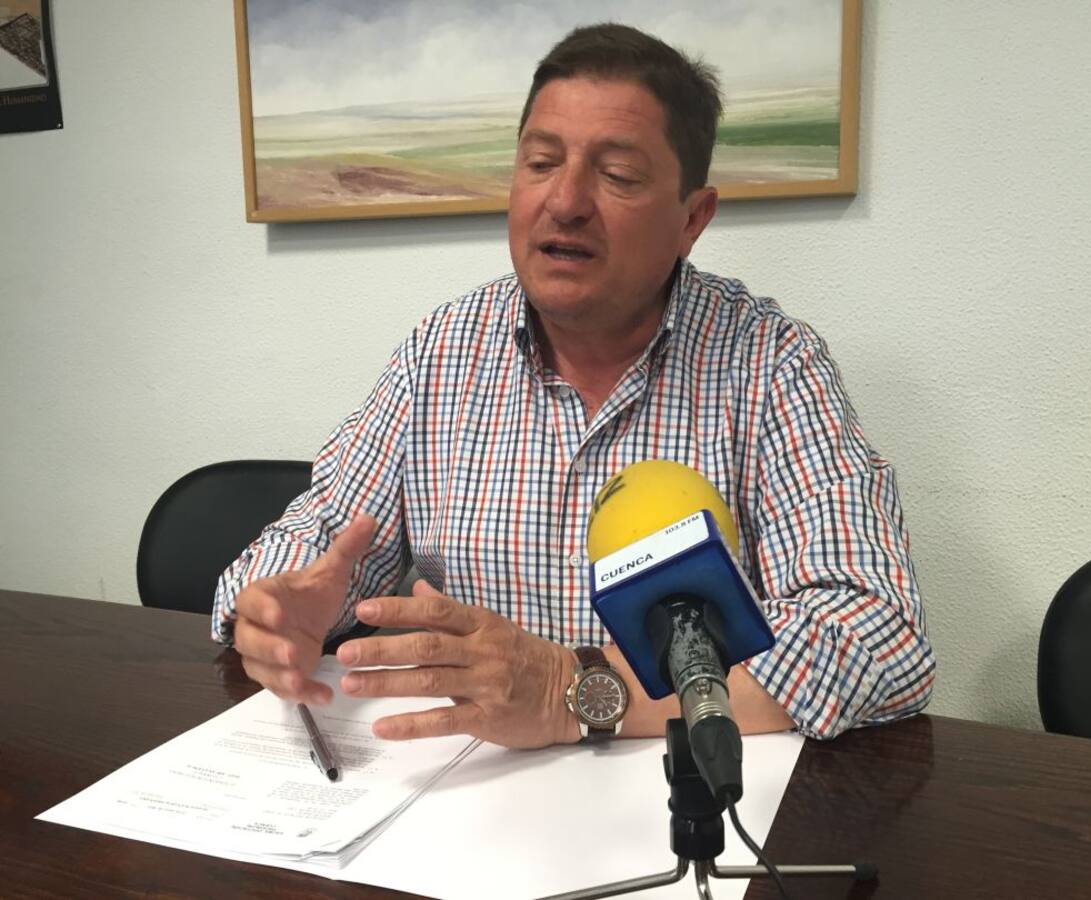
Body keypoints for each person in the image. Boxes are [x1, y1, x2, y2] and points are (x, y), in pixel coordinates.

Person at [213, 23, 934, 749]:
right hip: (465, 788)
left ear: (692, 218)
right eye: (540, 163)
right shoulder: (440, 352)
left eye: (616, 175)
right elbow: (321, 538)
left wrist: (574, 691)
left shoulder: (769, 362)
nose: (565, 201)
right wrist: (279, 609)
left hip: (684, 791)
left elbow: (877, 634)